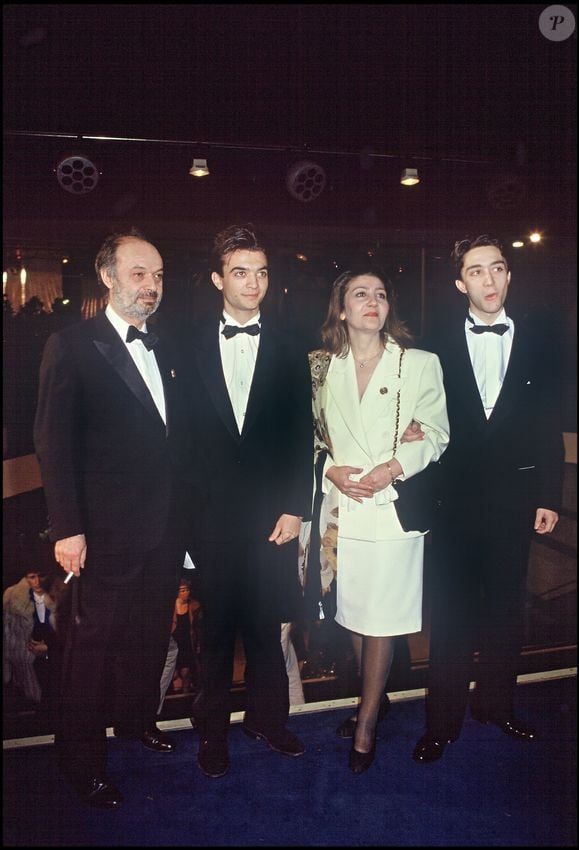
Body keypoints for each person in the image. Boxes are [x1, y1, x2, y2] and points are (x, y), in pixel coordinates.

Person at [33, 228, 193, 809]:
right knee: (89, 653)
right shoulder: (71, 344)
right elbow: (53, 444)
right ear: (107, 276)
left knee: (150, 636)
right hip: (100, 533)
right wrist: (68, 528)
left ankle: (135, 722)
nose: (151, 286)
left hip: (165, 526)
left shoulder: (170, 344)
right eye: (138, 274)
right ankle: (81, 763)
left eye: (157, 276)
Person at [412, 235, 565, 764]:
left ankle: (496, 706)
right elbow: (421, 416)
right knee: (451, 614)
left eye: (497, 268)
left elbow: (547, 421)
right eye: (476, 272)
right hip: (452, 502)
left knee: (505, 610)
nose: (490, 280)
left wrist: (549, 493)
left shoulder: (542, 339)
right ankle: (442, 722)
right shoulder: (433, 344)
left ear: (509, 275)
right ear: (461, 284)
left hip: (514, 498)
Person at [306, 265, 449, 773]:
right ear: (341, 308)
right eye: (360, 294)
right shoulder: (320, 367)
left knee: (382, 619)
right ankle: (377, 698)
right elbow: (311, 439)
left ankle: (366, 722)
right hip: (342, 511)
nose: (372, 301)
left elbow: (436, 434)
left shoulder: (419, 363)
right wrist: (332, 472)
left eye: (381, 294)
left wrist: (393, 467)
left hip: (391, 510)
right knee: (352, 612)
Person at [184, 223, 313, 778]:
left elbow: (298, 432)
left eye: (261, 272)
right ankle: (212, 735)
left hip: (270, 519)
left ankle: (269, 721)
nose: (254, 283)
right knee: (213, 637)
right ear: (218, 279)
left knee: (267, 629)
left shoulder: (289, 344)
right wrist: (185, 527)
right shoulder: (183, 343)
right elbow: (179, 441)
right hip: (209, 520)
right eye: (241, 272)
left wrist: (294, 505)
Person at [3, 568, 59, 708]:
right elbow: (8, 633)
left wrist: (50, 648)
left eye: (41, 576)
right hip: (26, 661)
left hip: (54, 659)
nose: (38, 581)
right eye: (32, 577)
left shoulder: (60, 593)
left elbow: (69, 632)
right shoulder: (13, 596)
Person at [169, 578, 202, 696]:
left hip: (187, 643)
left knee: (186, 672)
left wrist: (198, 644)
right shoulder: (170, 606)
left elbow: (198, 627)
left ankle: (185, 697)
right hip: (173, 644)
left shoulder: (194, 605)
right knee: (172, 675)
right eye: (182, 590)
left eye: (187, 590)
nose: (185, 593)